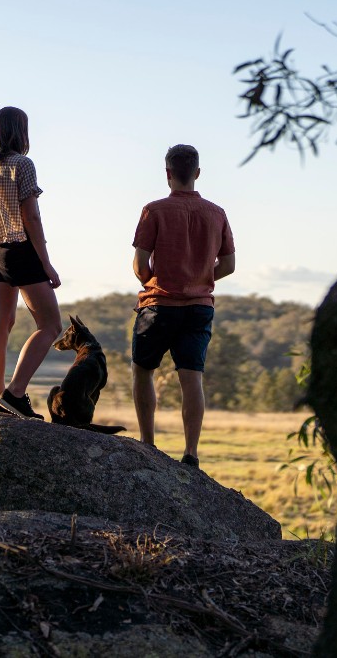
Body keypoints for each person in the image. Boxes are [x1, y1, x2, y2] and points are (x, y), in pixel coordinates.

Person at [130, 144, 235, 468]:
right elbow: (229, 264)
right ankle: (191, 453)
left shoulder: (154, 210)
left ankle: (148, 444)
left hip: (160, 303)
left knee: (143, 370)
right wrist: (203, 277)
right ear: (198, 174)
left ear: (168, 174)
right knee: (192, 379)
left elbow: (140, 263)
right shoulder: (217, 213)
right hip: (199, 307)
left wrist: (153, 280)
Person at [0, 106, 61, 418]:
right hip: (21, 248)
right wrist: (46, 263)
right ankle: (15, 393)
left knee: (0, 324)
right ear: (21, 132)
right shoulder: (23, 165)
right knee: (50, 325)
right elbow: (31, 216)